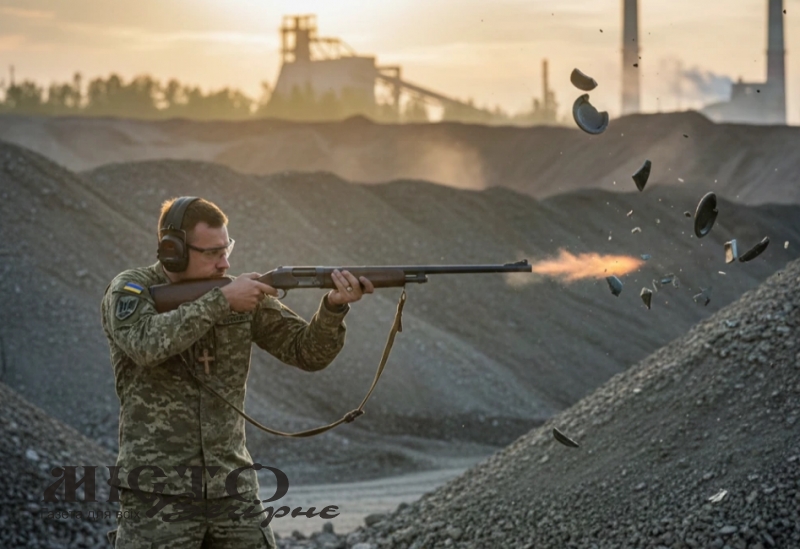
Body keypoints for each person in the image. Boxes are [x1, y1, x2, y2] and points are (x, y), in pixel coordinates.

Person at [100, 197, 374, 548]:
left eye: (226, 248)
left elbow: (307, 352)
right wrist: (221, 302)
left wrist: (334, 307)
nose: (225, 262)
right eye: (212, 253)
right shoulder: (132, 289)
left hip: (233, 486)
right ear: (173, 251)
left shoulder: (237, 293)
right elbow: (145, 345)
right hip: (157, 492)